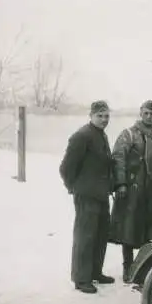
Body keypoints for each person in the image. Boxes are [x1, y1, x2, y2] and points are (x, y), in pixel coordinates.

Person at [109, 100, 152, 282]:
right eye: (145, 113)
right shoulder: (129, 134)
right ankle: (128, 267)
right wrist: (121, 183)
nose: (148, 117)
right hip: (134, 190)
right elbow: (118, 158)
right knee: (129, 229)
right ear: (140, 113)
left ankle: (151, 269)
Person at [59, 100, 116, 294]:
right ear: (91, 116)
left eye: (106, 116)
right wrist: (73, 187)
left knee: (100, 234)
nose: (104, 119)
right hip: (87, 195)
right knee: (85, 236)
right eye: (100, 116)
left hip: (101, 194)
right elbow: (66, 167)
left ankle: (95, 272)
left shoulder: (101, 136)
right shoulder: (81, 136)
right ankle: (81, 279)